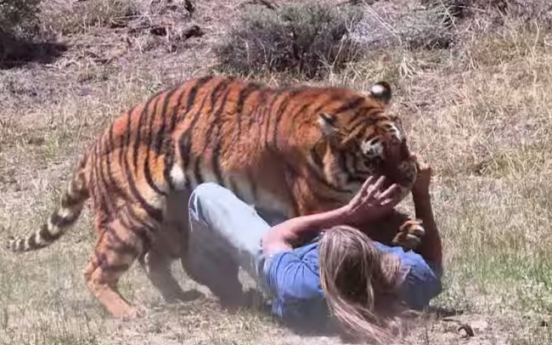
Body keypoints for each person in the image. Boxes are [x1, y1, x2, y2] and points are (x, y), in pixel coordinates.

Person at [183, 156, 443, 343]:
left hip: (280, 250)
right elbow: (433, 261)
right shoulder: (403, 277)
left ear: (323, 272)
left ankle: (223, 285)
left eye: (324, 244)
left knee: (205, 195)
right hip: (325, 259)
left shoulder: (298, 284)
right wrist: (421, 193)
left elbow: (276, 237)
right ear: (374, 254)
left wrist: (349, 214)